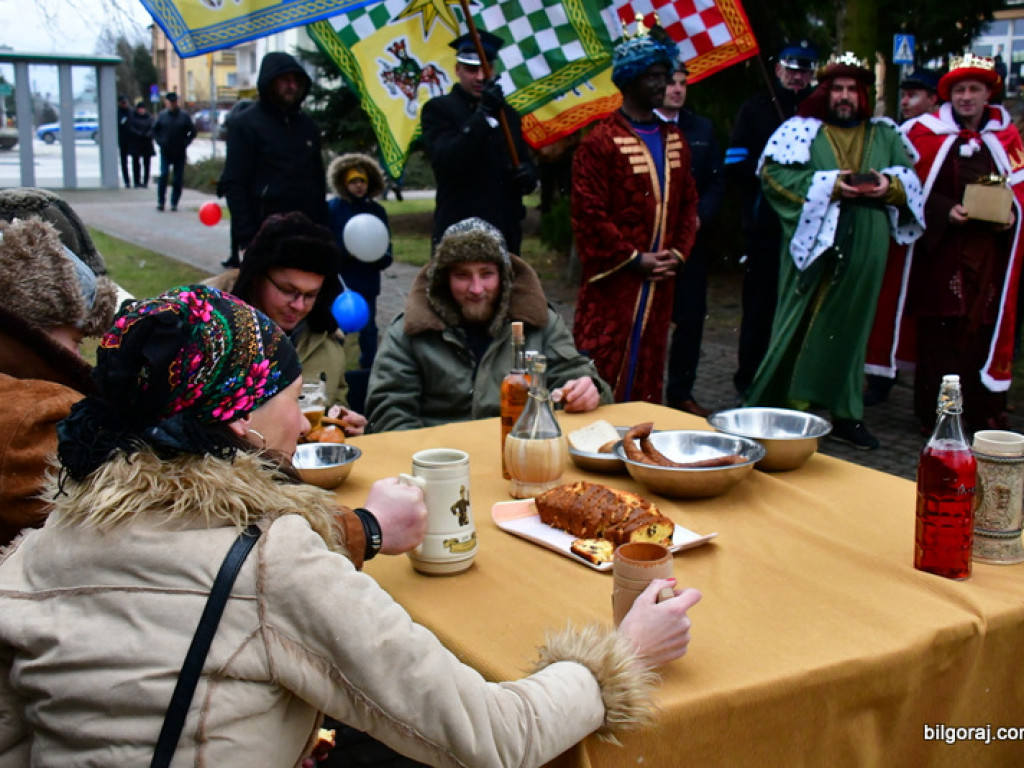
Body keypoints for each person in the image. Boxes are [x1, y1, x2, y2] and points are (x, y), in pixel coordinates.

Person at [0, 284, 702, 766]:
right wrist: (625, 655)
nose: (305, 420)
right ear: (237, 423)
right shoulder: (270, 558)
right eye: (288, 398)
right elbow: (490, 739)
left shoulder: (38, 547)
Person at [744, 52, 925, 450]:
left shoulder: (885, 133)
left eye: (852, 89)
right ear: (825, 92)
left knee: (853, 326)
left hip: (868, 239)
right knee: (802, 318)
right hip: (813, 242)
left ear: (863, 94)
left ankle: (846, 414)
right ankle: (791, 406)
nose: (845, 97)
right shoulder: (800, 130)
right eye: (837, 88)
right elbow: (775, 176)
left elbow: (910, 177)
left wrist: (886, 185)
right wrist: (830, 185)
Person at [878, 55, 1024, 434]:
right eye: (959, 90)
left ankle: (981, 414)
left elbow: (1019, 192)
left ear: (988, 94)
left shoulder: (1007, 138)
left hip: (988, 253)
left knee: (980, 333)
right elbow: (909, 190)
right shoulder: (922, 134)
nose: (966, 97)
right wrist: (945, 210)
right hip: (939, 253)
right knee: (939, 337)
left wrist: (1011, 215)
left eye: (974, 89)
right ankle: (936, 416)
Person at [366, 217, 612, 433]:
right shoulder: (410, 330)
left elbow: (577, 376)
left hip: (522, 457)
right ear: (443, 279)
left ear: (504, 277)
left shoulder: (538, 322)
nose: (476, 289)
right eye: (462, 275)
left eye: (486, 274)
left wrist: (588, 390)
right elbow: (389, 413)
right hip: (437, 466)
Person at [570, 24, 699, 404]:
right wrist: (632, 259)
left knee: (648, 368)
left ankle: (640, 445)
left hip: (660, 281)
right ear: (629, 80)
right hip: (615, 284)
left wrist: (676, 254)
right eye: (653, 76)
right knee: (602, 368)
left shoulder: (675, 138)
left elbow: (688, 204)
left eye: (666, 75)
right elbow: (588, 212)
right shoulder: (600, 140)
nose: (663, 84)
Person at [0, 216, 117, 546]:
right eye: (76, 341)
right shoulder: (36, 416)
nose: (81, 359)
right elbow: (96, 528)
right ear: (36, 321)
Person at [210, 212, 367, 436]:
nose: (299, 305)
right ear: (256, 277)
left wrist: (345, 426)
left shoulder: (328, 347)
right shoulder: (206, 329)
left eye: (311, 295)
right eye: (287, 291)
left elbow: (335, 411)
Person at [725, 41, 818, 399]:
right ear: (778, 69)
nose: (797, 78)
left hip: (806, 229)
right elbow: (734, 163)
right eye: (792, 70)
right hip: (765, 227)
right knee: (759, 309)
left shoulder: (816, 112)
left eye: (805, 71)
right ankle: (748, 378)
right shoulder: (755, 109)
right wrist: (775, 176)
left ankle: (791, 380)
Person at [862, 67, 941, 407]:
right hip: (899, 237)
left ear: (933, 99)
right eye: (904, 95)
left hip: (937, 238)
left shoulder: (938, 136)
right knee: (886, 308)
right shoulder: (898, 133)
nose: (906, 101)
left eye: (915, 95)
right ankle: (880, 377)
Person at [420, 30, 537, 254]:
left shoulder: (508, 115)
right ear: (457, 70)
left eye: (487, 69)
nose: (481, 77)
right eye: (472, 70)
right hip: (459, 229)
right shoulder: (439, 109)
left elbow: (523, 161)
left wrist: (528, 175)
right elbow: (447, 162)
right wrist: (483, 117)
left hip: (504, 230)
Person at [657, 61, 725, 417]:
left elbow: (716, 181)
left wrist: (700, 218)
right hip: (652, 242)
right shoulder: (645, 127)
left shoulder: (701, 128)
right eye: (671, 83)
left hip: (690, 243)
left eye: (683, 83)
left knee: (691, 318)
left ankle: (681, 391)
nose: (678, 90)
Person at [218, 53, 328, 263]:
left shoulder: (307, 127)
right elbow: (234, 183)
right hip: (264, 234)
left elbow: (317, 182)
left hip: (306, 234)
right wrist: (246, 238)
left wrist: (323, 229)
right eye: (285, 80)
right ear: (270, 82)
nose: (292, 86)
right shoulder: (246, 125)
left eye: (296, 81)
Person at [327, 153, 393, 372]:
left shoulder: (376, 210)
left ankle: (369, 367)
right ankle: (333, 364)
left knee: (369, 328)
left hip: (368, 278)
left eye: (362, 181)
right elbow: (329, 240)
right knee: (336, 324)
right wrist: (346, 253)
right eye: (353, 181)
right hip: (342, 278)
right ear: (345, 184)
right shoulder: (334, 209)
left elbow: (384, 244)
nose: (358, 186)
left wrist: (382, 258)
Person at [152, 91, 196, 212]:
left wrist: (185, 143)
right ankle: (161, 201)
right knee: (164, 175)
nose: (172, 104)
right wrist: (160, 142)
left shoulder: (184, 116)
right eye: (170, 102)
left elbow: (192, 132)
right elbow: (155, 130)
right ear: (167, 103)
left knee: (177, 179)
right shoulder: (162, 116)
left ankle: (174, 202)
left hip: (179, 152)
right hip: (166, 151)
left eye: (174, 102)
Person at [128, 99, 155, 189]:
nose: (141, 110)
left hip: (147, 143)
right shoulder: (133, 118)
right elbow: (131, 128)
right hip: (136, 143)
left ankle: (145, 181)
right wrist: (138, 134)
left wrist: (148, 134)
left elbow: (153, 128)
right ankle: (137, 181)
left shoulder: (149, 118)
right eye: (140, 108)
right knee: (136, 163)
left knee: (146, 163)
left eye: (143, 108)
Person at [116, 94, 132, 189]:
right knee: (124, 161)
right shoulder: (118, 113)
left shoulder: (130, 112)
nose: (124, 104)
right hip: (123, 140)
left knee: (135, 161)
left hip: (132, 139)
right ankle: (127, 181)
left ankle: (136, 180)